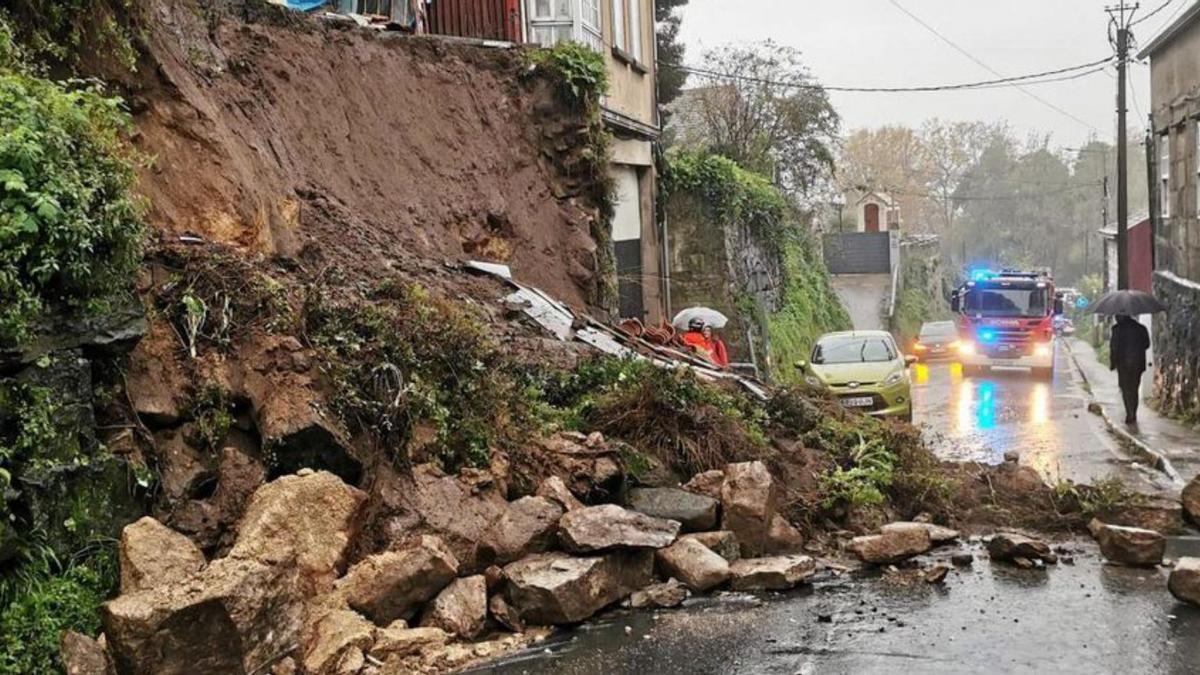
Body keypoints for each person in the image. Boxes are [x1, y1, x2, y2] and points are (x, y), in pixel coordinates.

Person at [1110, 314, 1151, 424]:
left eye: (1116, 316)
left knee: (1125, 389)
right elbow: (1147, 344)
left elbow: (1114, 347)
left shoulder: (1116, 329)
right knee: (1134, 388)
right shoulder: (1141, 328)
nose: (1115, 318)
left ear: (1120, 317)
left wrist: (1112, 363)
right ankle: (1133, 412)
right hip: (1138, 363)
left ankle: (1130, 412)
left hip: (1123, 364)